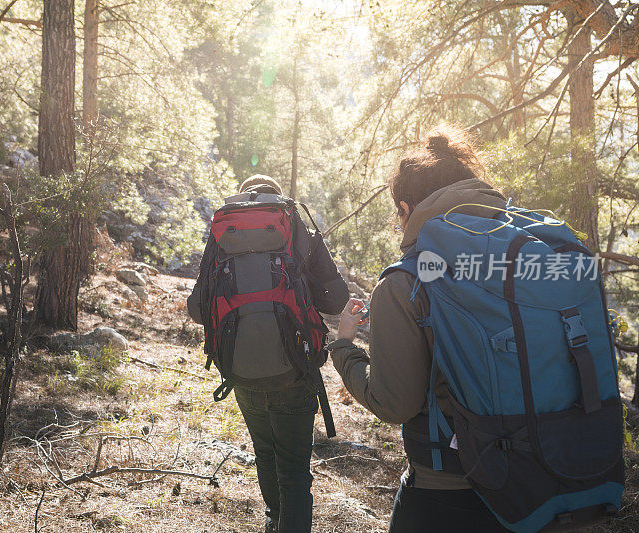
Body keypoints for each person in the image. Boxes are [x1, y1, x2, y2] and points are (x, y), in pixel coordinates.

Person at [327, 126, 511, 532]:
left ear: (407, 209)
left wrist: (344, 346)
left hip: (448, 488)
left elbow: (395, 404)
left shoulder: (404, 282)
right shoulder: (519, 258)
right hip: (543, 476)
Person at [188, 174, 349, 533]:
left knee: (265, 453)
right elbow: (336, 300)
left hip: (241, 371)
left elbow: (198, 309)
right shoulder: (298, 232)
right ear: (280, 204)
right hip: (296, 370)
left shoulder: (223, 236)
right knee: (293, 473)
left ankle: (274, 520)